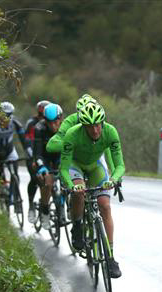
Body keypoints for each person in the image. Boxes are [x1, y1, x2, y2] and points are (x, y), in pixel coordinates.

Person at [59, 102, 125, 279]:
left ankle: (110, 257)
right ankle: (78, 226)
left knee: (105, 206)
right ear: (83, 125)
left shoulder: (110, 131)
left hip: (96, 166)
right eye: (90, 126)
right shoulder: (72, 135)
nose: (95, 130)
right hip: (75, 165)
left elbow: (120, 166)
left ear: (103, 122)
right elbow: (63, 168)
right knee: (79, 194)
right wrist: (72, 186)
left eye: (98, 125)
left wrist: (114, 179)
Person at [33, 103, 63, 229]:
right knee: (48, 182)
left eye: (55, 121)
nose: (53, 125)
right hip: (45, 158)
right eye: (49, 122)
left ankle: (64, 206)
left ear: (61, 118)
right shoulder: (39, 128)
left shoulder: (67, 127)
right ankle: (44, 210)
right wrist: (42, 167)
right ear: (44, 120)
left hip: (60, 157)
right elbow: (38, 153)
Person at [0, 101, 29, 191]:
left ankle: (14, 195)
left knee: (15, 174)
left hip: (9, 150)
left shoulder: (14, 122)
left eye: (8, 115)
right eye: (3, 115)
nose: (5, 118)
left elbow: (23, 139)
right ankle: (0, 191)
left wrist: (29, 152)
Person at [25, 100, 50, 223]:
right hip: (34, 155)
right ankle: (31, 207)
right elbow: (27, 141)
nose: (43, 119)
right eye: (41, 115)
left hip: (48, 155)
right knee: (35, 179)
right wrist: (32, 156)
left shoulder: (51, 124)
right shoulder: (32, 123)